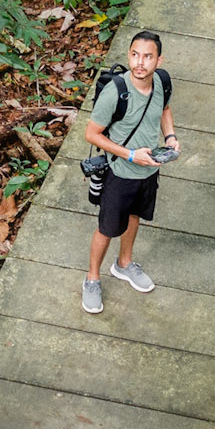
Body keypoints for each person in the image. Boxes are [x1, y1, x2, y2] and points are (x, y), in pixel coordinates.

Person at [82, 29, 177, 314]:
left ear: (158, 60)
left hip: (148, 171)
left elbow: (164, 109)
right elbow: (91, 134)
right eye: (135, 55)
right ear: (128, 55)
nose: (140, 62)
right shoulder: (115, 93)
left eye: (147, 57)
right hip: (119, 172)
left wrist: (170, 137)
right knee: (107, 228)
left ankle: (124, 263)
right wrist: (131, 155)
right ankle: (92, 279)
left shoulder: (161, 82)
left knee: (135, 216)